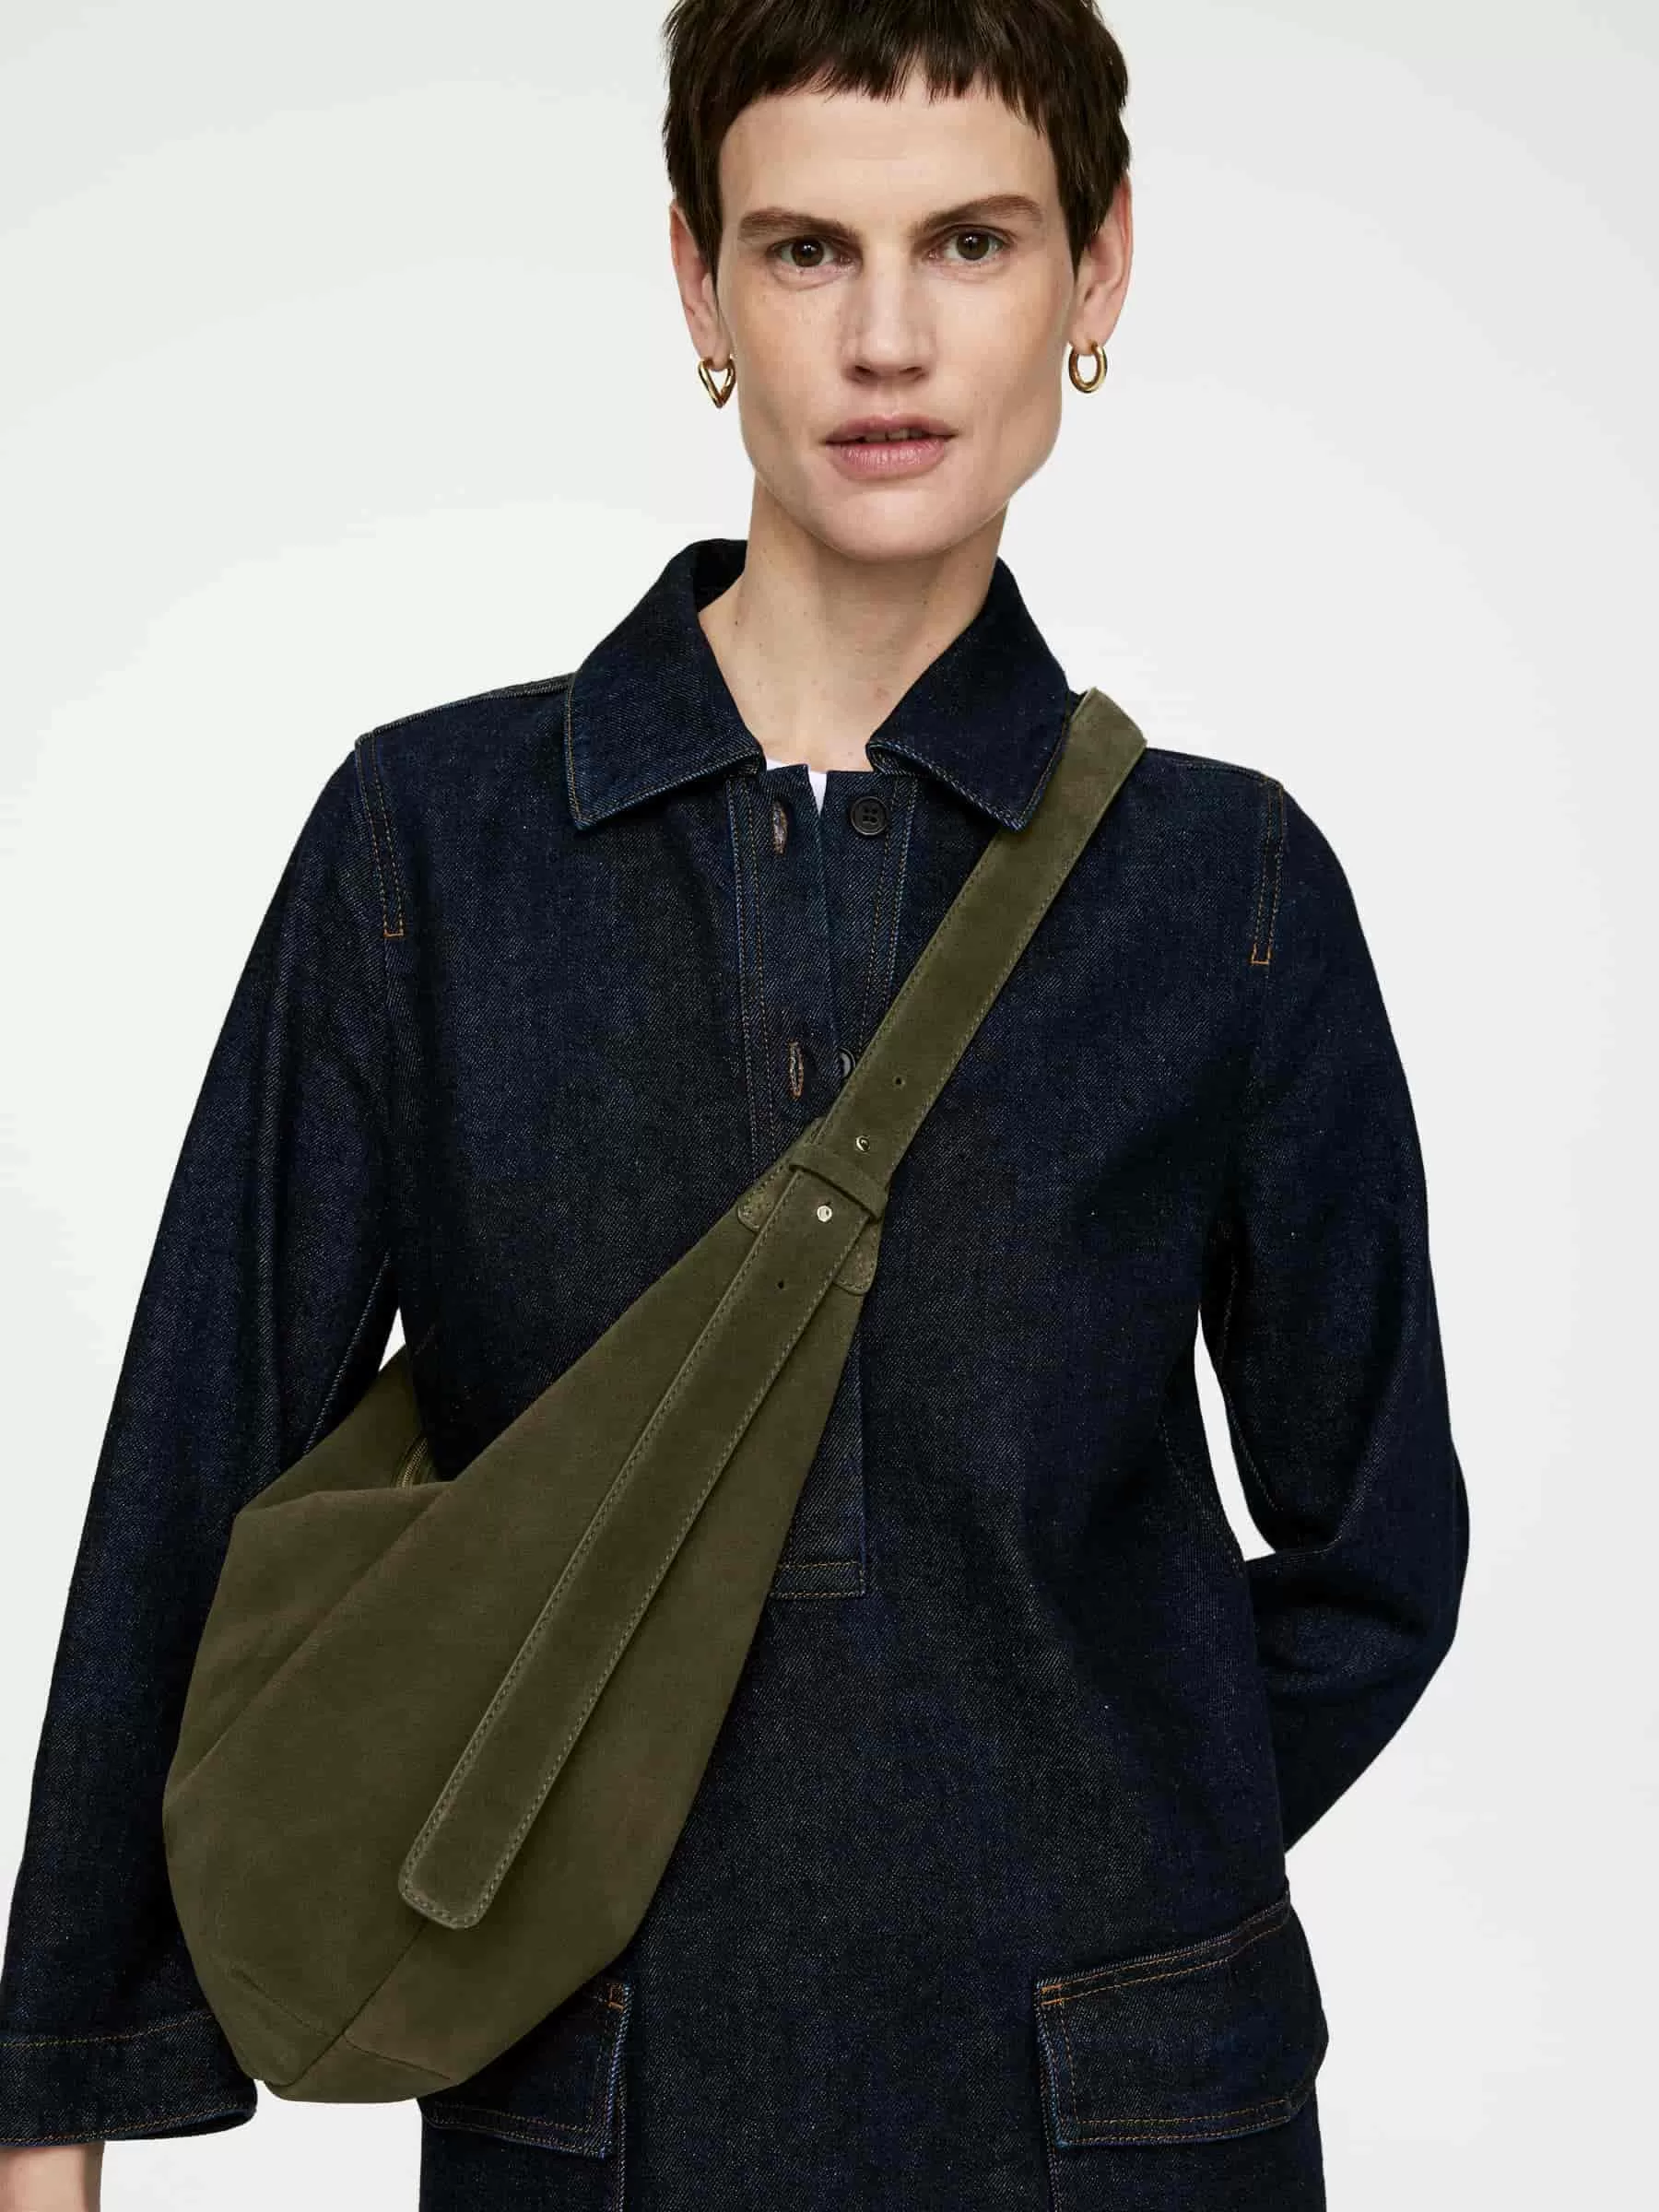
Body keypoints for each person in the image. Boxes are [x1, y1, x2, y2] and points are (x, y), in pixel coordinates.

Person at [0, 3, 1470, 2207]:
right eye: (806, 251)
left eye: (972, 242)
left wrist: (1105, 1851)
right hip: (602, 2114)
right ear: (699, 284)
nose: (887, 339)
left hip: (1127, 2123)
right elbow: (188, 1487)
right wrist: (55, 2113)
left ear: (1099, 269)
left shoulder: (1226, 891)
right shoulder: (434, 850)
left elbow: (1377, 1553)